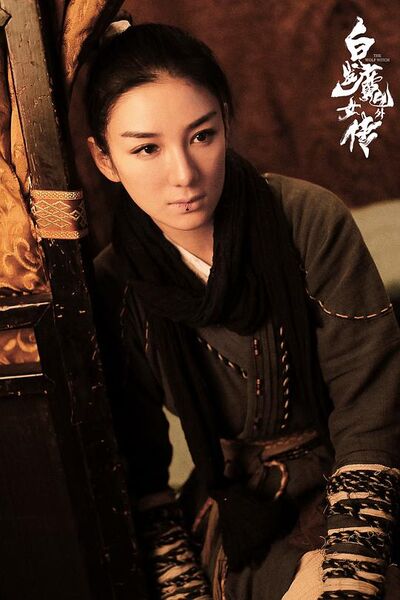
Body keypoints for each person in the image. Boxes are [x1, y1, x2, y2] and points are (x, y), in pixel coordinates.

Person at [85, 22, 400, 600]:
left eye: (202, 136)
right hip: (239, 510)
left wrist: (343, 576)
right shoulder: (113, 285)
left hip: (359, 473)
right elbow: (142, 473)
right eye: (146, 148)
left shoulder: (307, 220)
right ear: (104, 159)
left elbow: (369, 408)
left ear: (227, 123)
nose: (184, 174)